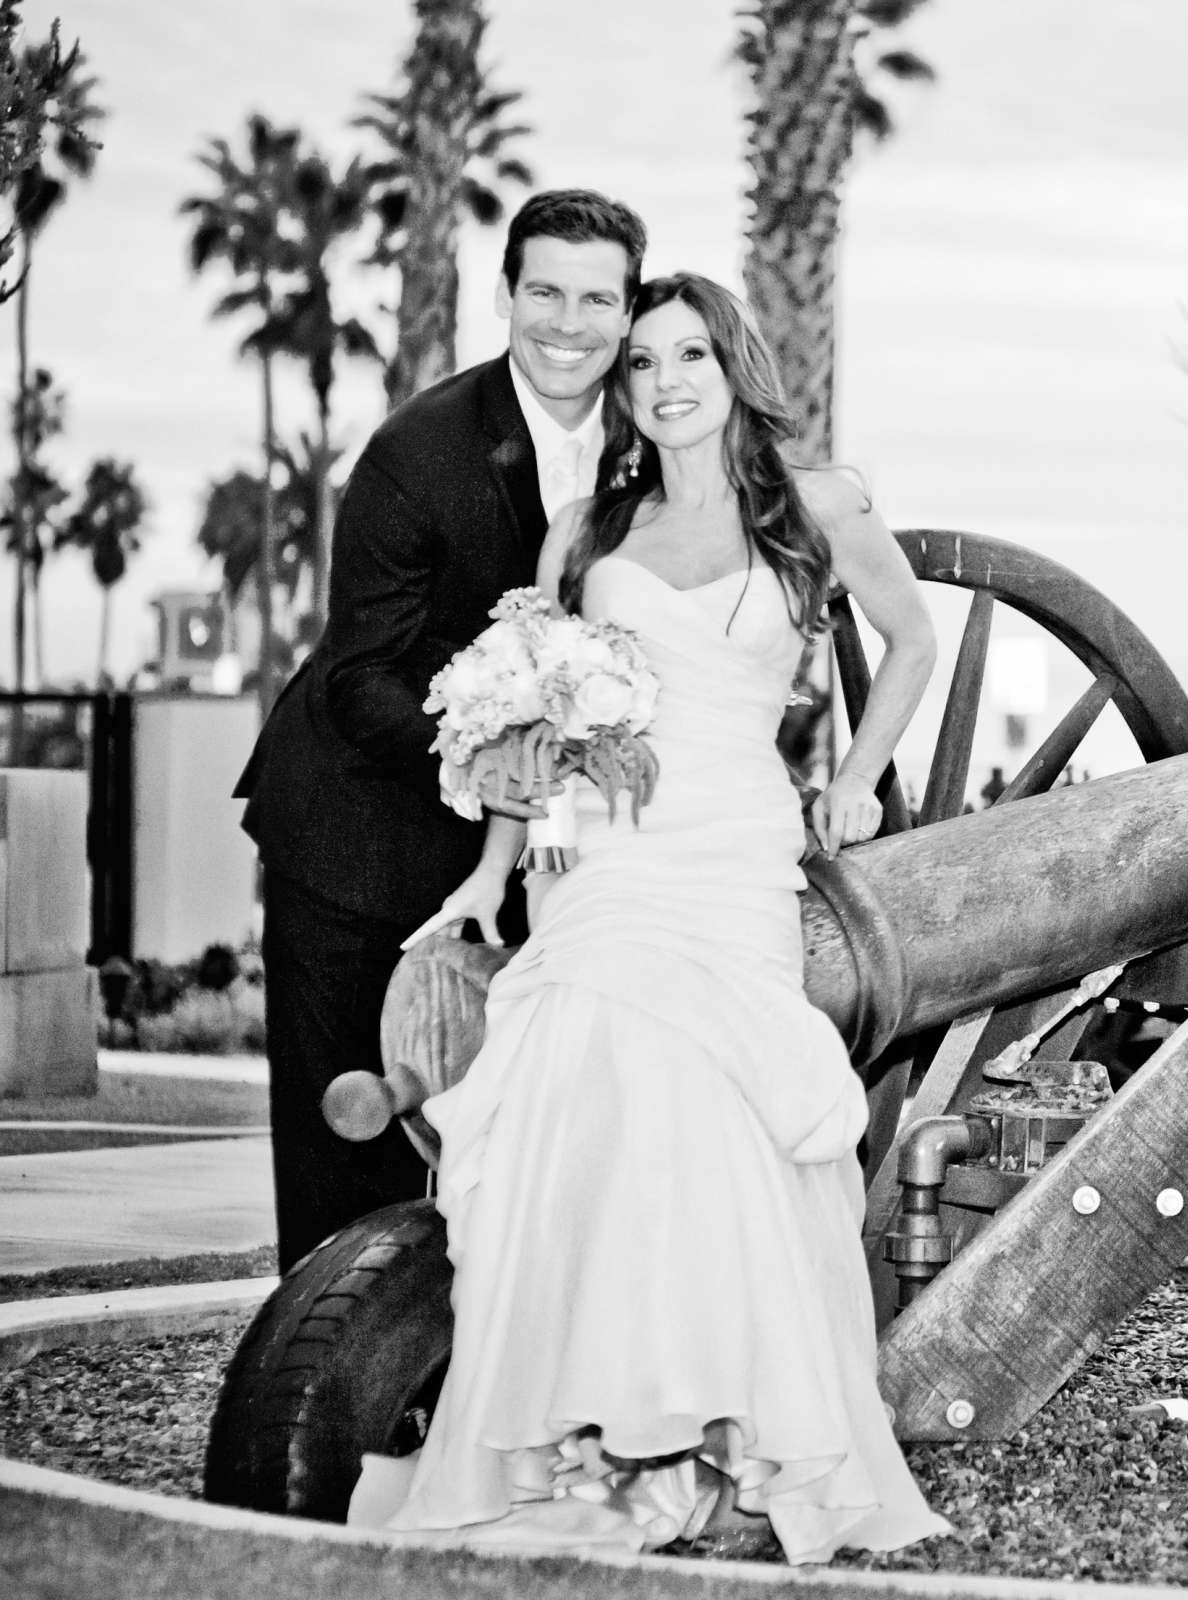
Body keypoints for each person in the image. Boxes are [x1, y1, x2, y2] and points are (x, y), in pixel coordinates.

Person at [346, 272, 945, 1562]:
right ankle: (582, 1429)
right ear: (623, 390)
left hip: (734, 849)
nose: (666, 381)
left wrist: (848, 782)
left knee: (713, 1115)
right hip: (605, 855)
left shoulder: (819, 507)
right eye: (644, 364)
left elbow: (912, 641)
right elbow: (540, 726)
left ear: (735, 367)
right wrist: (497, 874)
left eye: (691, 355)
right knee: (579, 1079)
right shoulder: (584, 532)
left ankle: (726, 1422)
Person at [235, 190, 648, 1272]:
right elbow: (357, 677)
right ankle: (329, 1407)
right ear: (505, 296)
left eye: (596, 298)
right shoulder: (417, 452)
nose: (568, 322)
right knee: (352, 1149)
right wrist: (480, 758)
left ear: (627, 310)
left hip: (528, 852)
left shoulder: (650, 451)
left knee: (508, 1142)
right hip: (356, 833)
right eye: (544, 291)